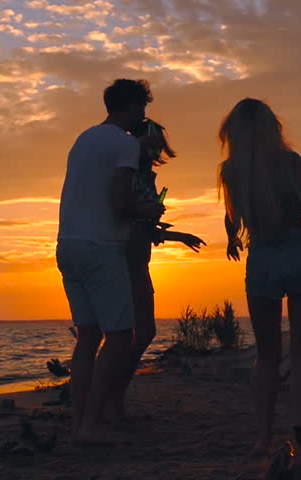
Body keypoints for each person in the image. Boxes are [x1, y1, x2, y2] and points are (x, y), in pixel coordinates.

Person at [219, 98, 301, 455]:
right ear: (272, 127)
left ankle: (264, 438)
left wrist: (232, 238)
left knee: (266, 356)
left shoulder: (231, 171)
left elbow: (234, 217)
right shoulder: (290, 162)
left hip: (262, 258)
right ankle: (300, 431)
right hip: (297, 253)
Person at [56, 78, 163, 444]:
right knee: (120, 337)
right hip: (101, 247)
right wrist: (145, 208)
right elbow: (121, 202)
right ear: (132, 106)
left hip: (67, 244)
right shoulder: (124, 143)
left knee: (87, 337)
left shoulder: (83, 139)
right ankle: (92, 423)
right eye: (142, 108)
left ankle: (79, 423)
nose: (143, 115)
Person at [107, 118, 206, 423]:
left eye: (157, 140)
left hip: (140, 260)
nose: (154, 145)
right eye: (148, 138)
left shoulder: (147, 177)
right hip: (124, 260)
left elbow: (147, 227)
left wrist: (180, 236)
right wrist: (145, 213)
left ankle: (114, 397)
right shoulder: (128, 173)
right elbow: (121, 213)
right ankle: (111, 401)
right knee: (128, 334)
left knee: (141, 333)